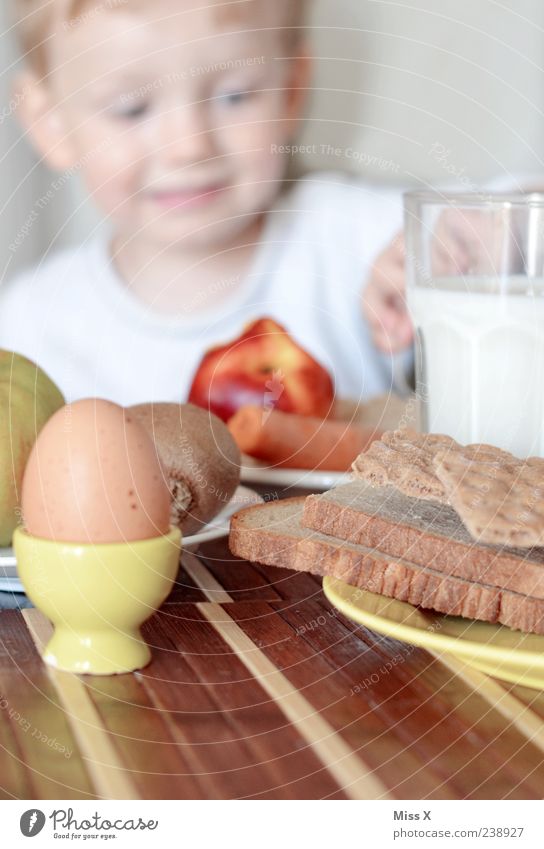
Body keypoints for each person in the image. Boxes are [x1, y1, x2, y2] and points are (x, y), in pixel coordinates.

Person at [0, 0, 412, 407]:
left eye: (234, 96)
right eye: (132, 109)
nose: (189, 147)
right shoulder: (29, 326)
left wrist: (442, 253)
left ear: (291, 91)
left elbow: (468, 226)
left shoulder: (362, 237)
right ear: (50, 122)